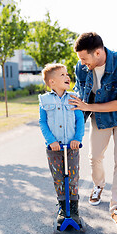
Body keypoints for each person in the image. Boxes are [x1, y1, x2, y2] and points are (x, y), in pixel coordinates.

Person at [69, 32, 117, 230]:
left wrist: (87, 108)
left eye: (84, 58)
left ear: (98, 53)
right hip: (100, 117)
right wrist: (75, 130)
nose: (82, 63)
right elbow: (80, 100)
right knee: (95, 157)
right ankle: (98, 185)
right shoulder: (81, 68)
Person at [38, 63, 85, 225]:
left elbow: (80, 120)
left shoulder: (73, 98)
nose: (67, 77)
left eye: (67, 74)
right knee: (58, 177)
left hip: (72, 147)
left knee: (72, 177)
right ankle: (63, 208)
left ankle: (74, 208)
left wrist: (77, 139)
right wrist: (51, 141)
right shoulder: (44, 100)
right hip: (54, 148)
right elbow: (43, 122)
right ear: (52, 82)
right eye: (63, 75)